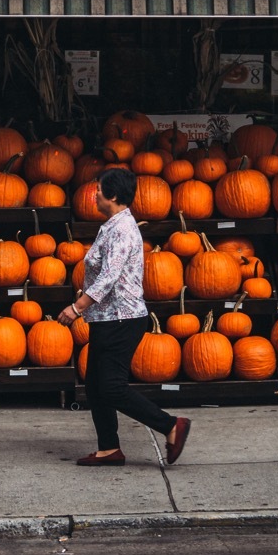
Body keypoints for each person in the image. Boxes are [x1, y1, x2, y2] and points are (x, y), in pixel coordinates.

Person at [58, 168, 191, 467]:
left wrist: (76, 307)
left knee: (111, 386)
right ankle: (108, 448)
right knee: (94, 384)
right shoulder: (113, 225)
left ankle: (170, 425)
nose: (94, 194)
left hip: (122, 317)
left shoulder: (121, 229)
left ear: (113, 195)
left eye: (99, 190)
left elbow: (108, 277)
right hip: (109, 317)